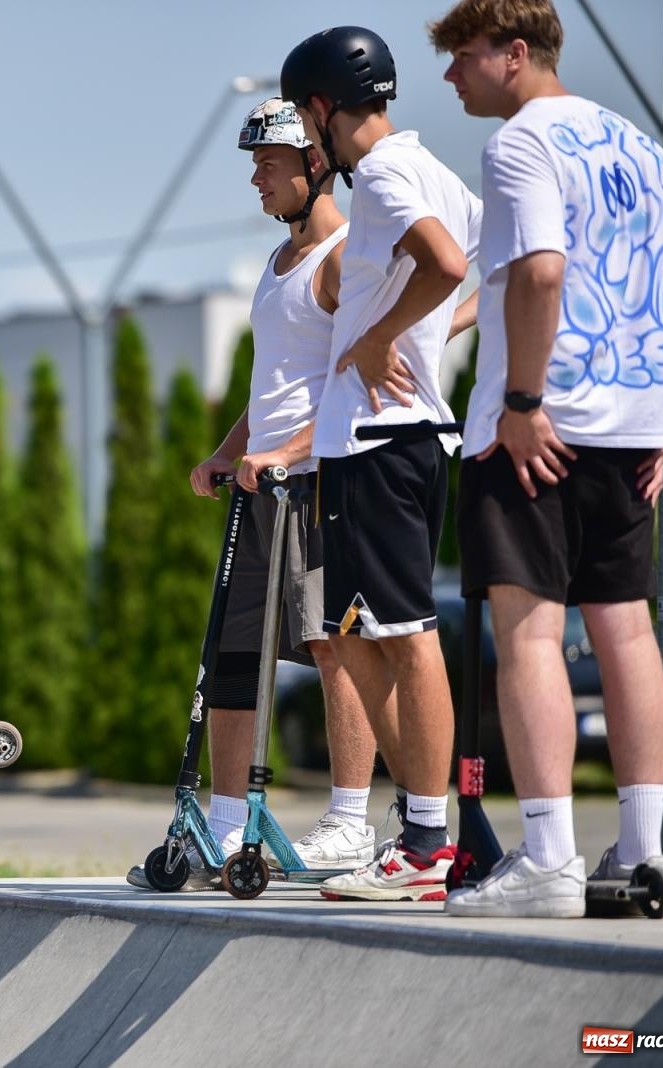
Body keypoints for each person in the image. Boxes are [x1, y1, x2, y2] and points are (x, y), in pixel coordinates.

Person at [429, 0, 663, 917]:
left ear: (514, 55)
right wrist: (661, 411)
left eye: (463, 58)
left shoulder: (523, 143)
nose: (452, 77)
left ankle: (551, 860)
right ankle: (644, 856)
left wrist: (521, 401)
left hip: (541, 428)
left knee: (528, 635)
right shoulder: (639, 147)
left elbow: (542, 271)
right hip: (628, 434)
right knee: (627, 629)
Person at [126, 98, 380, 892]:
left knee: (336, 650)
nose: (255, 179)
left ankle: (349, 820)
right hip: (262, 488)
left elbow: (356, 389)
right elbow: (274, 387)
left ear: (312, 164)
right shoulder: (278, 268)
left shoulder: (344, 257)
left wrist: (287, 454)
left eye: (266, 164)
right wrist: (229, 451)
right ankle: (227, 826)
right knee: (233, 658)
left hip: (317, 486)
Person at [281, 25, 483, 901]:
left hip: (380, 442)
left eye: (301, 116)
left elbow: (442, 263)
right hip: (376, 440)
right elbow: (476, 275)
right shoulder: (430, 171)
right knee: (357, 637)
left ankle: (431, 847)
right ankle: (423, 832)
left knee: (403, 637)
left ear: (324, 108)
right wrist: (426, 335)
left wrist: (376, 341)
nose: (306, 135)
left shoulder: (392, 174)